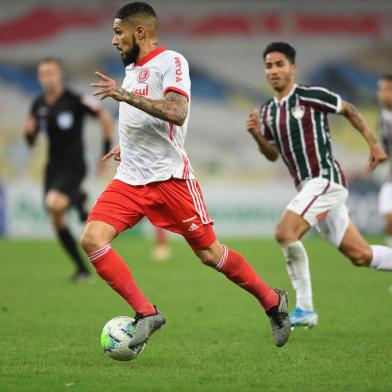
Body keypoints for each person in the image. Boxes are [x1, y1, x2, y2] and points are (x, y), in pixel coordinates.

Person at [80, 2, 291, 348]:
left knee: (210, 254)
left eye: (119, 32)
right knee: (92, 239)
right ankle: (147, 313)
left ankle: (272, 301)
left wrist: (123, 94)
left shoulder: (171, 62)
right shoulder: (132, 70)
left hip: (170, 180)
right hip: (131, 178)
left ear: (141, 32)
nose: (114, 40)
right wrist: (126, 144)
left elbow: (176, 112)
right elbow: (145, 120)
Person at [246, 42, 392, 328]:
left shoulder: (311, 95)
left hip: (326, 179)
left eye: (279, 64)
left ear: (292, 68)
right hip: (307, 187)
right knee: (361, 255)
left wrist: (374, 145)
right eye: (269, 65)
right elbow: (272, 155)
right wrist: (257, 136)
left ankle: (305, 308)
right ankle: (306, 309)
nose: (273, 70)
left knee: (285, 232)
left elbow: (348, 109)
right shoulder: (266, 112)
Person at [24, 57, 113, 282]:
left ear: (60, 74)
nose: (48, 78)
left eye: (52, 73)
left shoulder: (74, 100)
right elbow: (31, 141)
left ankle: (77, 199)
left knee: (54, 202)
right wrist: (29, 132)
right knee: (56, 216)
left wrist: (104, 151)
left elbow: (104, 117)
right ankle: (82, 269)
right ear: (39, 77)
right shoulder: (38, 104)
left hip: (74, 165)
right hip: (52, 167)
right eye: (43, 74)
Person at [377, 74, 392, 247]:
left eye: (388, 89)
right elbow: (386, 148)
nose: (383, 93)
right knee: (388, 218)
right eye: (381, 89)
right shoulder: (382, 118)